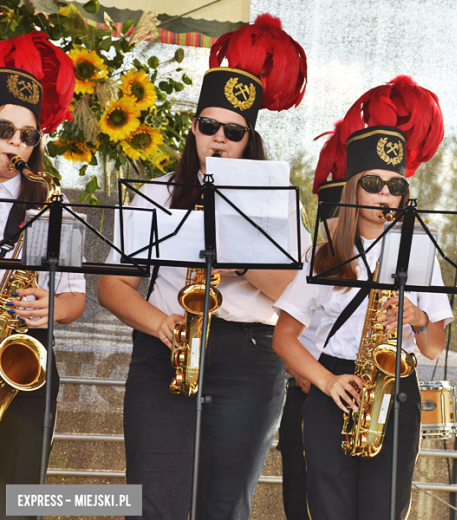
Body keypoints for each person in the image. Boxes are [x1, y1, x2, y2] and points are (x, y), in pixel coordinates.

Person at [96, 14, 308, 520]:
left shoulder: (278, 201)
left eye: (233, 131)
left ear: (249, 137)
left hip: (250, 359)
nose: (219, 139)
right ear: (193, 128)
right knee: (152, 504)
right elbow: (112, 287)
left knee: (224, 507)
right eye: (209, 126)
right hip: (166, 347)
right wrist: (159, 323)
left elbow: (295, 294)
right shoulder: (155, 194)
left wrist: (238, 261)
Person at [272, 76, 451, 520]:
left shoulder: (422, 249)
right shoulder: (324, 254)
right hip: (335, 386)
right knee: (329, 508)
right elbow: (285, 339)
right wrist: (327, 381)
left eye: (397, 186)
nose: (386, 195)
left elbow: (433, 347)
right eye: (375, 183)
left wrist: (416, 317)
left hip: (397, 390)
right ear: (353, 186)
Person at [0, 32, 85, 520]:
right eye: (5, 130)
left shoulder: (53, 202)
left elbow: (75, 298)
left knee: (18, 505)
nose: (17, 144)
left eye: (28, 136)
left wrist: (52, 306)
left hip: (23, 365)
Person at [277, 179, 342, 520]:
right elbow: (284, 331)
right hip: (305, 395)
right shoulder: (312, 260)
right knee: (302, 495)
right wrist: (300, 368)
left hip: (353, 391)